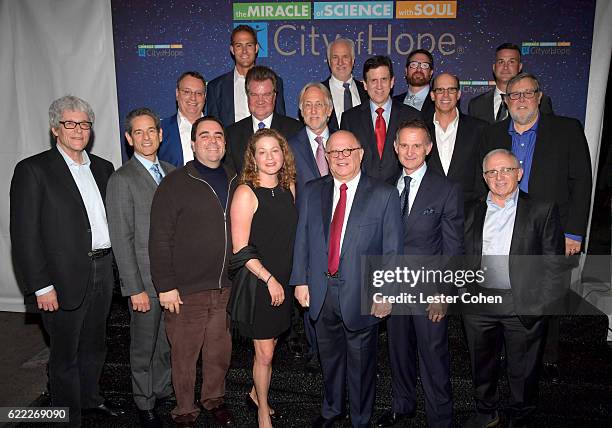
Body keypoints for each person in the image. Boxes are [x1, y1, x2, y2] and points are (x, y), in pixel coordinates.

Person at [10, 95, 120, 427]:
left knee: (94, 345)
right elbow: (24, 235)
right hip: (59, 279)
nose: (78, 130)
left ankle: (90, 400)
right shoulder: (33, 169)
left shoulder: (103, 168)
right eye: (70, 123)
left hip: (102, 269)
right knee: (64, 354)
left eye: (84, 124)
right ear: (55, 128)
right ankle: (66, 417)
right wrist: (41, 286)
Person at [480, 72, 592, 379]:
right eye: (513, 95)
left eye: (527, 94)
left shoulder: (567, 129)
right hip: (506, 227)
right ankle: (507, 352)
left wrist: (573, 232)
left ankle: (547, 357)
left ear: (539, 97)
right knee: (507, 289)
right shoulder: (493, 134)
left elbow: (581, 183)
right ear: (505, 100)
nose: (520, 100)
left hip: (551, 230)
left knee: (548, 291)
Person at [291, 130, 403, 428]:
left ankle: (361, 419)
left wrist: (385, 293)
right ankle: (332, 410)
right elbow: (302, 237)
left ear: (361, 153)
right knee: (330, 360)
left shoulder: (384, 194)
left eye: (347, 151)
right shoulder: (312, 190)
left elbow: (393, 251)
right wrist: (300, 281)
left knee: (362, 364)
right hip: (321, 291)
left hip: (362, 293)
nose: (341, 157)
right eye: (334, 152)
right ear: (326, 157)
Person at [462, 149, 564, 427]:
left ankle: (521, 416)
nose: (499, 177)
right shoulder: (471, 208)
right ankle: (487, 412)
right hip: (478, 304)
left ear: (519, 173)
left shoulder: (542, 209)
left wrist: (542, 304)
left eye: (506, 170)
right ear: (484, 178)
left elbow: (554, 264)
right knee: (482, 366)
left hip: (522, 303)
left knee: (523, 370)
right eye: (492, 172)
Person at [149, 116, 237, 428]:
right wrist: (166, 286)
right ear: (193, 143)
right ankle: (184, 410)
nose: (212, 141)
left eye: (218, 135)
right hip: (185, 291)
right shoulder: (174, 183)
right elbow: (159, 239)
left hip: (226, 288)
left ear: (225, 143)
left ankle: (213, 398)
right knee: (184, 357)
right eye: (205, 136)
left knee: (219, 352)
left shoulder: (235, 179)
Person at [376, 119, 463, 428]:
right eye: (404, 145)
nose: (410, 151)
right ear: (396, 148)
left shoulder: (446, 189)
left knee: (433, 358)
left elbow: (453, 249)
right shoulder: (385, 185)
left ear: (428, 149)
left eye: (417, 145)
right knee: (398, 353)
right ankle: (403, 405)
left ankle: (441, 419)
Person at [106, 108, 175, 428]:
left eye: (152, 131)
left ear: (161, 135)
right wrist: (134, 288)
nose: (146, 137)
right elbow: (122, 238)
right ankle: (143, 401)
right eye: (139, 132)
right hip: (144, 283)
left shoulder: (174, 173)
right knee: (143, 346)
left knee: (165, 342)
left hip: (172, 280)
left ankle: (161, 390)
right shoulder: (122, 179)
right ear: (128, 138)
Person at [229, 128, 298, 428]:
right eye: (262, 152)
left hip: (284, 281)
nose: (270, 157)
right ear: (253, 158)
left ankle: (256, 394)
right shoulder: (245, 192)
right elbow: (240, 250)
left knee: (269, 348)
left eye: (275, 150)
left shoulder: (289, 188)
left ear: (284, 154)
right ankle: (261, 411)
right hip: (259, 282)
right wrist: (269, 279)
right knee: (266, 353)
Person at [289, 82, 334, 371]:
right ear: (300, 110)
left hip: (344, 234)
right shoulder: (289, 146)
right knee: (311, 297)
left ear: (329, 109)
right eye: (308, 105)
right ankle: (317, 354)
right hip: (307, 235)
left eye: (319, 104)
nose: (313, 110)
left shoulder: (345, 143)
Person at [341, 55, 421, 183]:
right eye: (373, 80)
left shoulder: (411, 116)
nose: (379, 86)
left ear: (392, 82)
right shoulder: (350, 118)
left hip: (400, 193)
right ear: (365, 85)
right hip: (363, 194)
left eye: (384, 79)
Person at [224, 66, 301, 174]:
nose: (260, 101)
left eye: (266, 94)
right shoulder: (232, 134)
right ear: (247, 96)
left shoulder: (296, 131)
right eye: (254, 95)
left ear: (274, 96)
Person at [207, 24, 286, 127]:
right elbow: (213, 126)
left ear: (256, 48)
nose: (244, 51)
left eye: (249, 45)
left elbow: (280, 122)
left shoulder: (274, 81)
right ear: (232, 49)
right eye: (239, 45)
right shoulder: (216, 87)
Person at [427, 73, 488, 204]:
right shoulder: (421, 129)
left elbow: (484, 172)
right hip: (428, 211)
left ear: (458, 94)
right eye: (440, 90)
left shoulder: (479, 129)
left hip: (468, 211)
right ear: (432, 95)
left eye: (451, 90)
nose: (445, 95)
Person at [468, 43, 553, 124]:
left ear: (520, 67)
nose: (505, 67)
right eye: (501, 62)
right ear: (494, 67)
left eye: (511, 62)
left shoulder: (540, 101)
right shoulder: (476, 104)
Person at [158, 71, 206, 167]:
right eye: (187, 92)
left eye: (198, 93)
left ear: (204, 97)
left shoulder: (219, 129)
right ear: (177, 93)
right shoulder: (160, 129)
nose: (193, 98)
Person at [319, 38, 368, 131]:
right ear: (329, 62)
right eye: (335, 57)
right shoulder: (319, 92)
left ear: (353, 60)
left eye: (345, 57)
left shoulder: (367, 91)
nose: (340, 62)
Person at [393, 49, 436, 121]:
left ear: (431, 72)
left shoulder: (440, 101)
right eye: (413, 64)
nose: (419, 69)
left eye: (424, 65)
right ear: (406, 71)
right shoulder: (393, 102)